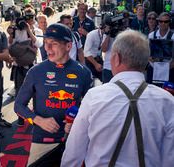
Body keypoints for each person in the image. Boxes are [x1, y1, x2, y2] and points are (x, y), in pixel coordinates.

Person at [61, 30, 174, 167]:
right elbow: (169, 158)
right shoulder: (167, 101)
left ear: (116, 58)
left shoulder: (94, 97)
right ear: (145, 62)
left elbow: (74, 151)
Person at [14, 23, 92, 166]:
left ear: (68, 46)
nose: (47, 48)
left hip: (74, 142)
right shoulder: (36, 71)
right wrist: (38, 120)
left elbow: (91, 109)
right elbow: (18, 106)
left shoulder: (83, 73)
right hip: (42, 142)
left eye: (53, 44)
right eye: (45, 43)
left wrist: (78, 121)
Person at [8, 8, 43, 126]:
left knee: (36, 91)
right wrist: (12, 33)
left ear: (34, 17)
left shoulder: (37, 30)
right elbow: (11, 46)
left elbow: (38, 44)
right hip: (20, 65)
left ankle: (36, 115)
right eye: (26, 18)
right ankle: (21, 117)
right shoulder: (17, 30)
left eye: (31, 17)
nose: (29, 20)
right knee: (20, 92)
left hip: (34, 65)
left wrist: (29, 30)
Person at [147, 12, 174, 85]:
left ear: (169, 22)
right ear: (158, 22)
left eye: (166, 21)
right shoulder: (151, 35)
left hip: (169, 70)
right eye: (161, 21)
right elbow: (147, 52)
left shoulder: (173, 36)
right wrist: (149, 58)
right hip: (153, 69)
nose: (163, 23)